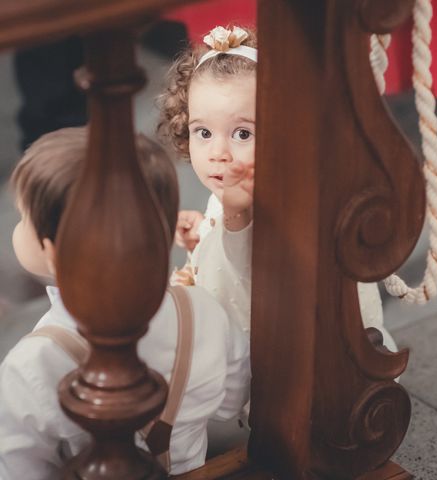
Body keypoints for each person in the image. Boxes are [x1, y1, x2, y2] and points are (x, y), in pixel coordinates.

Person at [0, 127, 251, 477]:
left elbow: (21, 471)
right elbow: (230, 403)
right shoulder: (203, 312)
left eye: (24, 218)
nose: (16, 227)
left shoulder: (32, 365)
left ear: (55, 254)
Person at [157, 25, 397, 349]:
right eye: (203, 132)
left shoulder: (287, 206)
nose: (218, 153)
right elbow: (227, 270)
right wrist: (204, 234)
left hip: (274, 362)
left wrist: (235, 216)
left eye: (242, 134)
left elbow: (257, 280)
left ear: (286, 130)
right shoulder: (235, 192)